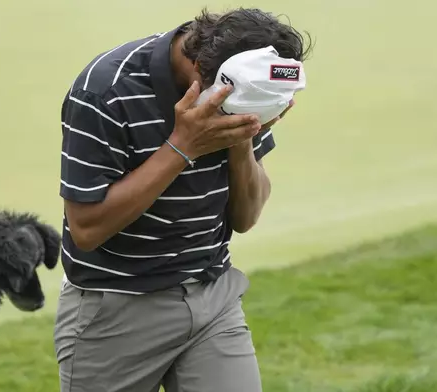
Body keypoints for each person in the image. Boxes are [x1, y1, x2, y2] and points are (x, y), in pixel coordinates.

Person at [54, 7, 312, 392]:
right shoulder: (105, 90)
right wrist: (182, 145)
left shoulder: (247, 89)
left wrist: (241, 138)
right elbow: (86, 230)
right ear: (199, 72)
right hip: (115, 308)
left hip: (212, 296)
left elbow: (246, 216)